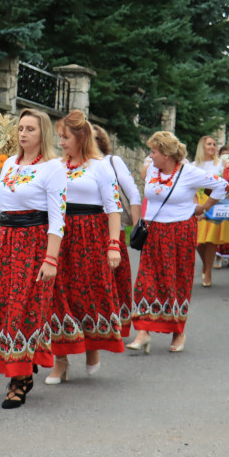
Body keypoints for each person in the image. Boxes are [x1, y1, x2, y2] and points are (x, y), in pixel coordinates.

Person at [0, 109, 65, 408]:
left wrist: (50, 259)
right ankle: (19, 367)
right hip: (4, 243)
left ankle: (19, 380)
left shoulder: (53, 168)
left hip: (33, 244)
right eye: (20, 128)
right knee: (0, 305)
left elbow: (58, 219)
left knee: (22, 308)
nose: (23, 134)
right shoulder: (8, 163)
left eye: (30, 129)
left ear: (42, 133)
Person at [126, 131, 228, 354]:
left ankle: (178, 331)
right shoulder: (153, 169)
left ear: (166, 153)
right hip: (153, 232)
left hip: (180, 232)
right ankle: (144, 330)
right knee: (147, 278)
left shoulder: (189, 172)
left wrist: (204, 207)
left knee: (175, 280)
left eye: (153, 151)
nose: (150, 156)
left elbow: (222, 185)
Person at [48, 110, 123, 383]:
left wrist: (113, 245)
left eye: (65, 137)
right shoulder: (56, 165)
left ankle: (92, 347)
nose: (61, 143)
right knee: (58, 294)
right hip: (60, 235)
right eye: (59, 137)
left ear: (81, 137)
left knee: (88, 293)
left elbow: (114, 207)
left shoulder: (100, 166)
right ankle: (61, 361)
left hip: (91, 236)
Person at [93, 124, 141, 342]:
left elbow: (132, 193)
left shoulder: (112, 162)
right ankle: (97, 322)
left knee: (116, 278)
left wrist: (138, 226)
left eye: (93, 137)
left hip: (114, 229)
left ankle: (118, 323)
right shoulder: (74, 165)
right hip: (89, 231)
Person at [193, 135, 229, 287]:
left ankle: (208, 271)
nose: (212, 147)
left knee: (210, 240)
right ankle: (205, 264)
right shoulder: (193, 165)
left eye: (214, 144)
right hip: (197, 200)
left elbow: (226, 184)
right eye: (209, 144)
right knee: (198, 240)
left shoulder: (221, 164)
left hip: (215, 202)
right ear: (202, 146)